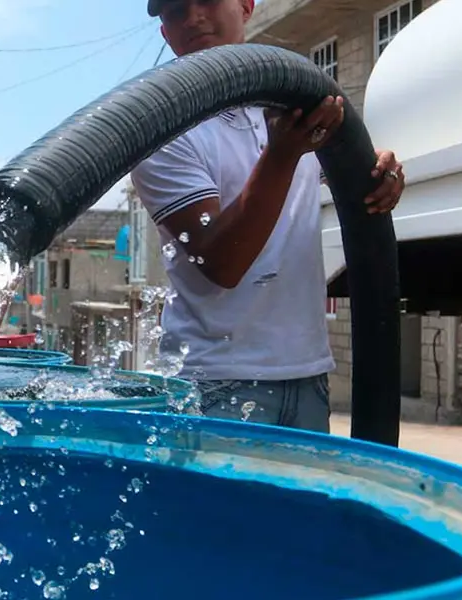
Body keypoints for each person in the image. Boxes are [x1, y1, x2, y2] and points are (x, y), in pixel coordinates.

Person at [131, 0, 406, 433]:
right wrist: (282, 155)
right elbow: (221, 261)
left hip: (307, 375)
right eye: (176, 10)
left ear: (246, 5)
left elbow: (344, 169)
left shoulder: (290, 103)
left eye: (207, 0)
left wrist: (378, 171)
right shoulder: (160, 130)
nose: (193, 17)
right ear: (165, 33)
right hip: (214, 384)